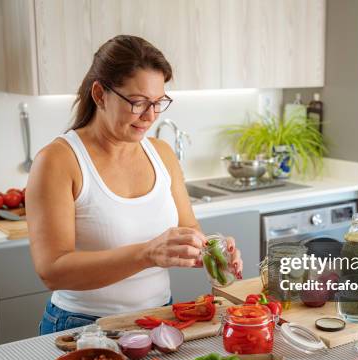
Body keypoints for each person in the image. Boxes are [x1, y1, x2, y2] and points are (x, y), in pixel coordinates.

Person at [27, 35, 243, 335]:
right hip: (83, 326)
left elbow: (189, 228)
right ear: (100, 94)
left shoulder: (162, 153)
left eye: (158, 103)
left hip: (161, 317)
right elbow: (52, 270)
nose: (150, 116)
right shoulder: (58, 161)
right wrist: (146, 254)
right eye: (138, 102)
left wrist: (213, 250)